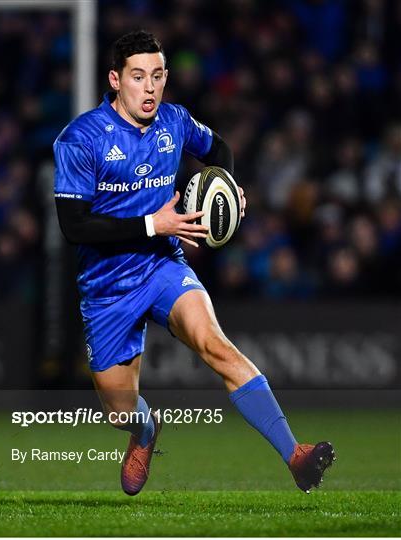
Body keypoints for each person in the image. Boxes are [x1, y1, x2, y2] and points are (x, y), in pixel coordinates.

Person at [53, 30, 335, 496]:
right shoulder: (81, 139)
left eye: (158, 76)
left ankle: (295, 455)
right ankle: (145, 431)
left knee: (216, 345)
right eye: (138, 77)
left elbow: (218, 149)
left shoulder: (174, 122)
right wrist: (152, 224)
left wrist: (227, 185)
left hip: (163, 265)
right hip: (106, 285)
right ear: (115, 80)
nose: (149, 87)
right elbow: (73, 226)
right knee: (119, 411)